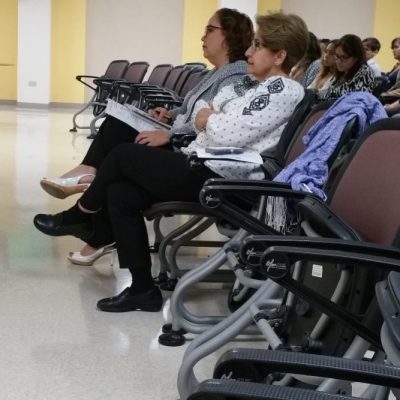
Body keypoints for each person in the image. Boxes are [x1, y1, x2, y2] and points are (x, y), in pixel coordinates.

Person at [33, 11, 309, 313]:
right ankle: (142, 290)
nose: (248, 52)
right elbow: (206, 110)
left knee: (123, 155)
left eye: (257, 45)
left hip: (221, 177)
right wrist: (210, 118)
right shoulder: (257, 87)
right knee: (121, 193)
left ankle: (81, 213)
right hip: (203, 162)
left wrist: (210, 120)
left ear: (280, 55)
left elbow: (226, 130)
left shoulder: (283, 89)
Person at [41, 8, 254, 265]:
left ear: (230, 35)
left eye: (210, 30)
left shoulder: (236, 75)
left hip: (191, 151)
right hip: (183, 140)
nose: (203, 36)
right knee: (117, 132)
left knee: (120, 142)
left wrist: (170, 134)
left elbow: (212, 121)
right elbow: (192, 112)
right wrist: (169, 114)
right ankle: (95, 220)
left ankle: (88, 208)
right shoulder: (216, 73)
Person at [321, 34, 375, 101]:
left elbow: (352, 101)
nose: (338, 61)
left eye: (344, 57)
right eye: (337, 56)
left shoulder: (365, 73)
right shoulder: (342, 71)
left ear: (356, 57)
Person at [380, 36, 400, 104]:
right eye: (393, 48)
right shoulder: (396, 66)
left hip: (391, 100)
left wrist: (384, 95)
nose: (393, 50)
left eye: (396, 47)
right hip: (384, 97)